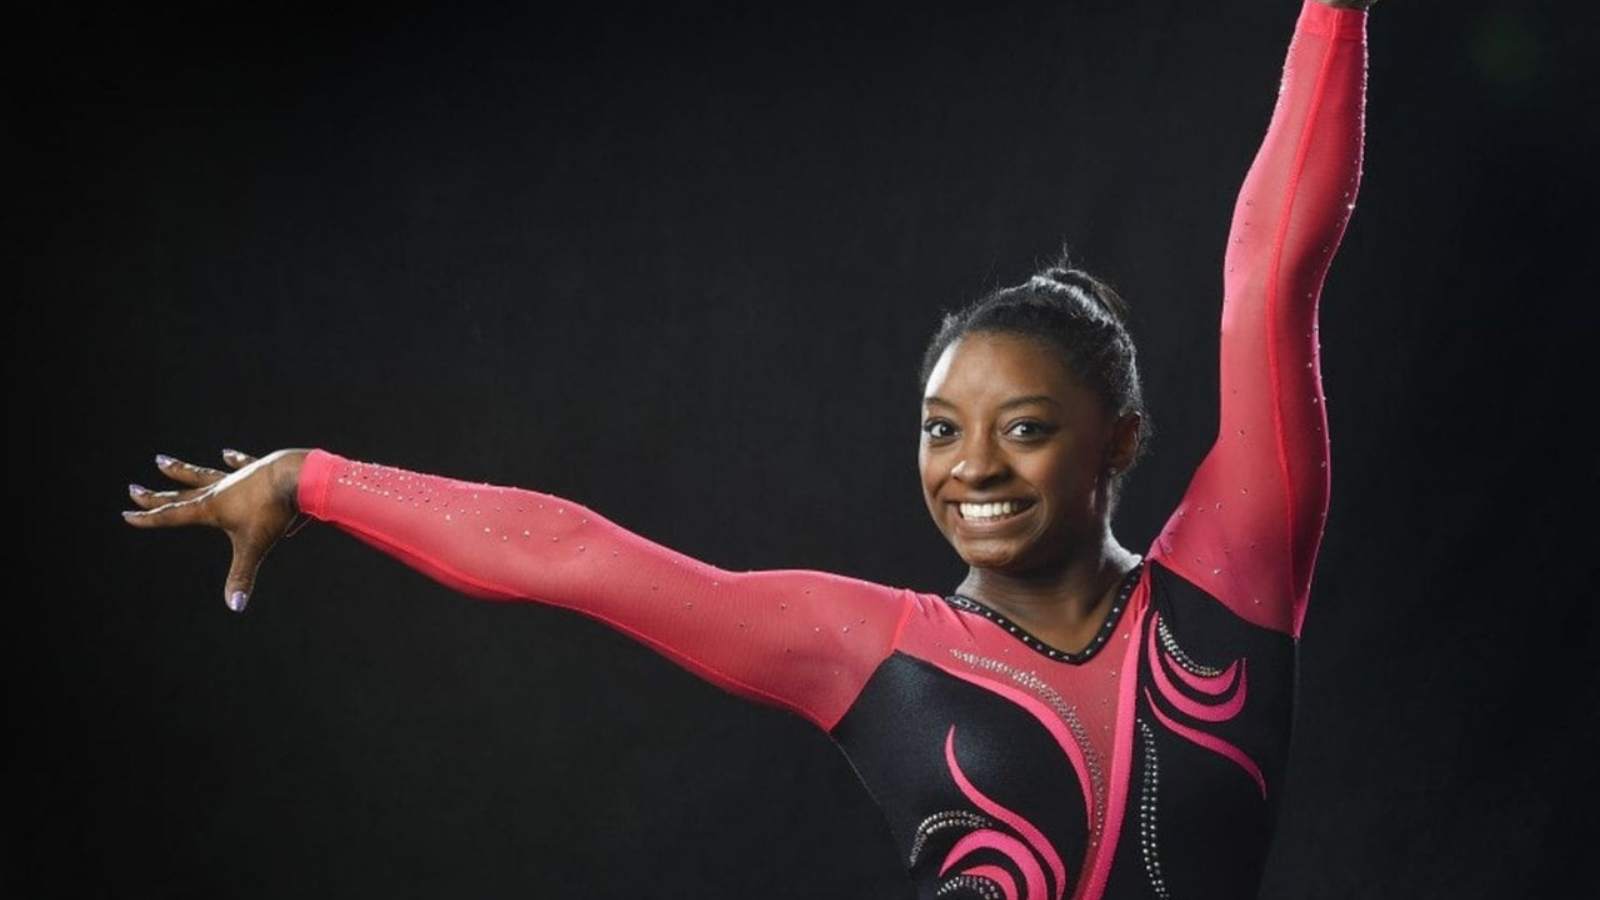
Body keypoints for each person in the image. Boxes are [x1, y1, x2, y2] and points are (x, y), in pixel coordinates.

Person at [122, 0, 1376, 896]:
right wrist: (315, 481)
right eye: (941, 430)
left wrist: (1332, 11)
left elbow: (1269, 281)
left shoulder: (1233, 576)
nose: (973, 467)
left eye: (1026, 429)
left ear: (1121, 441)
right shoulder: (867, 650)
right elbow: (579, 558)